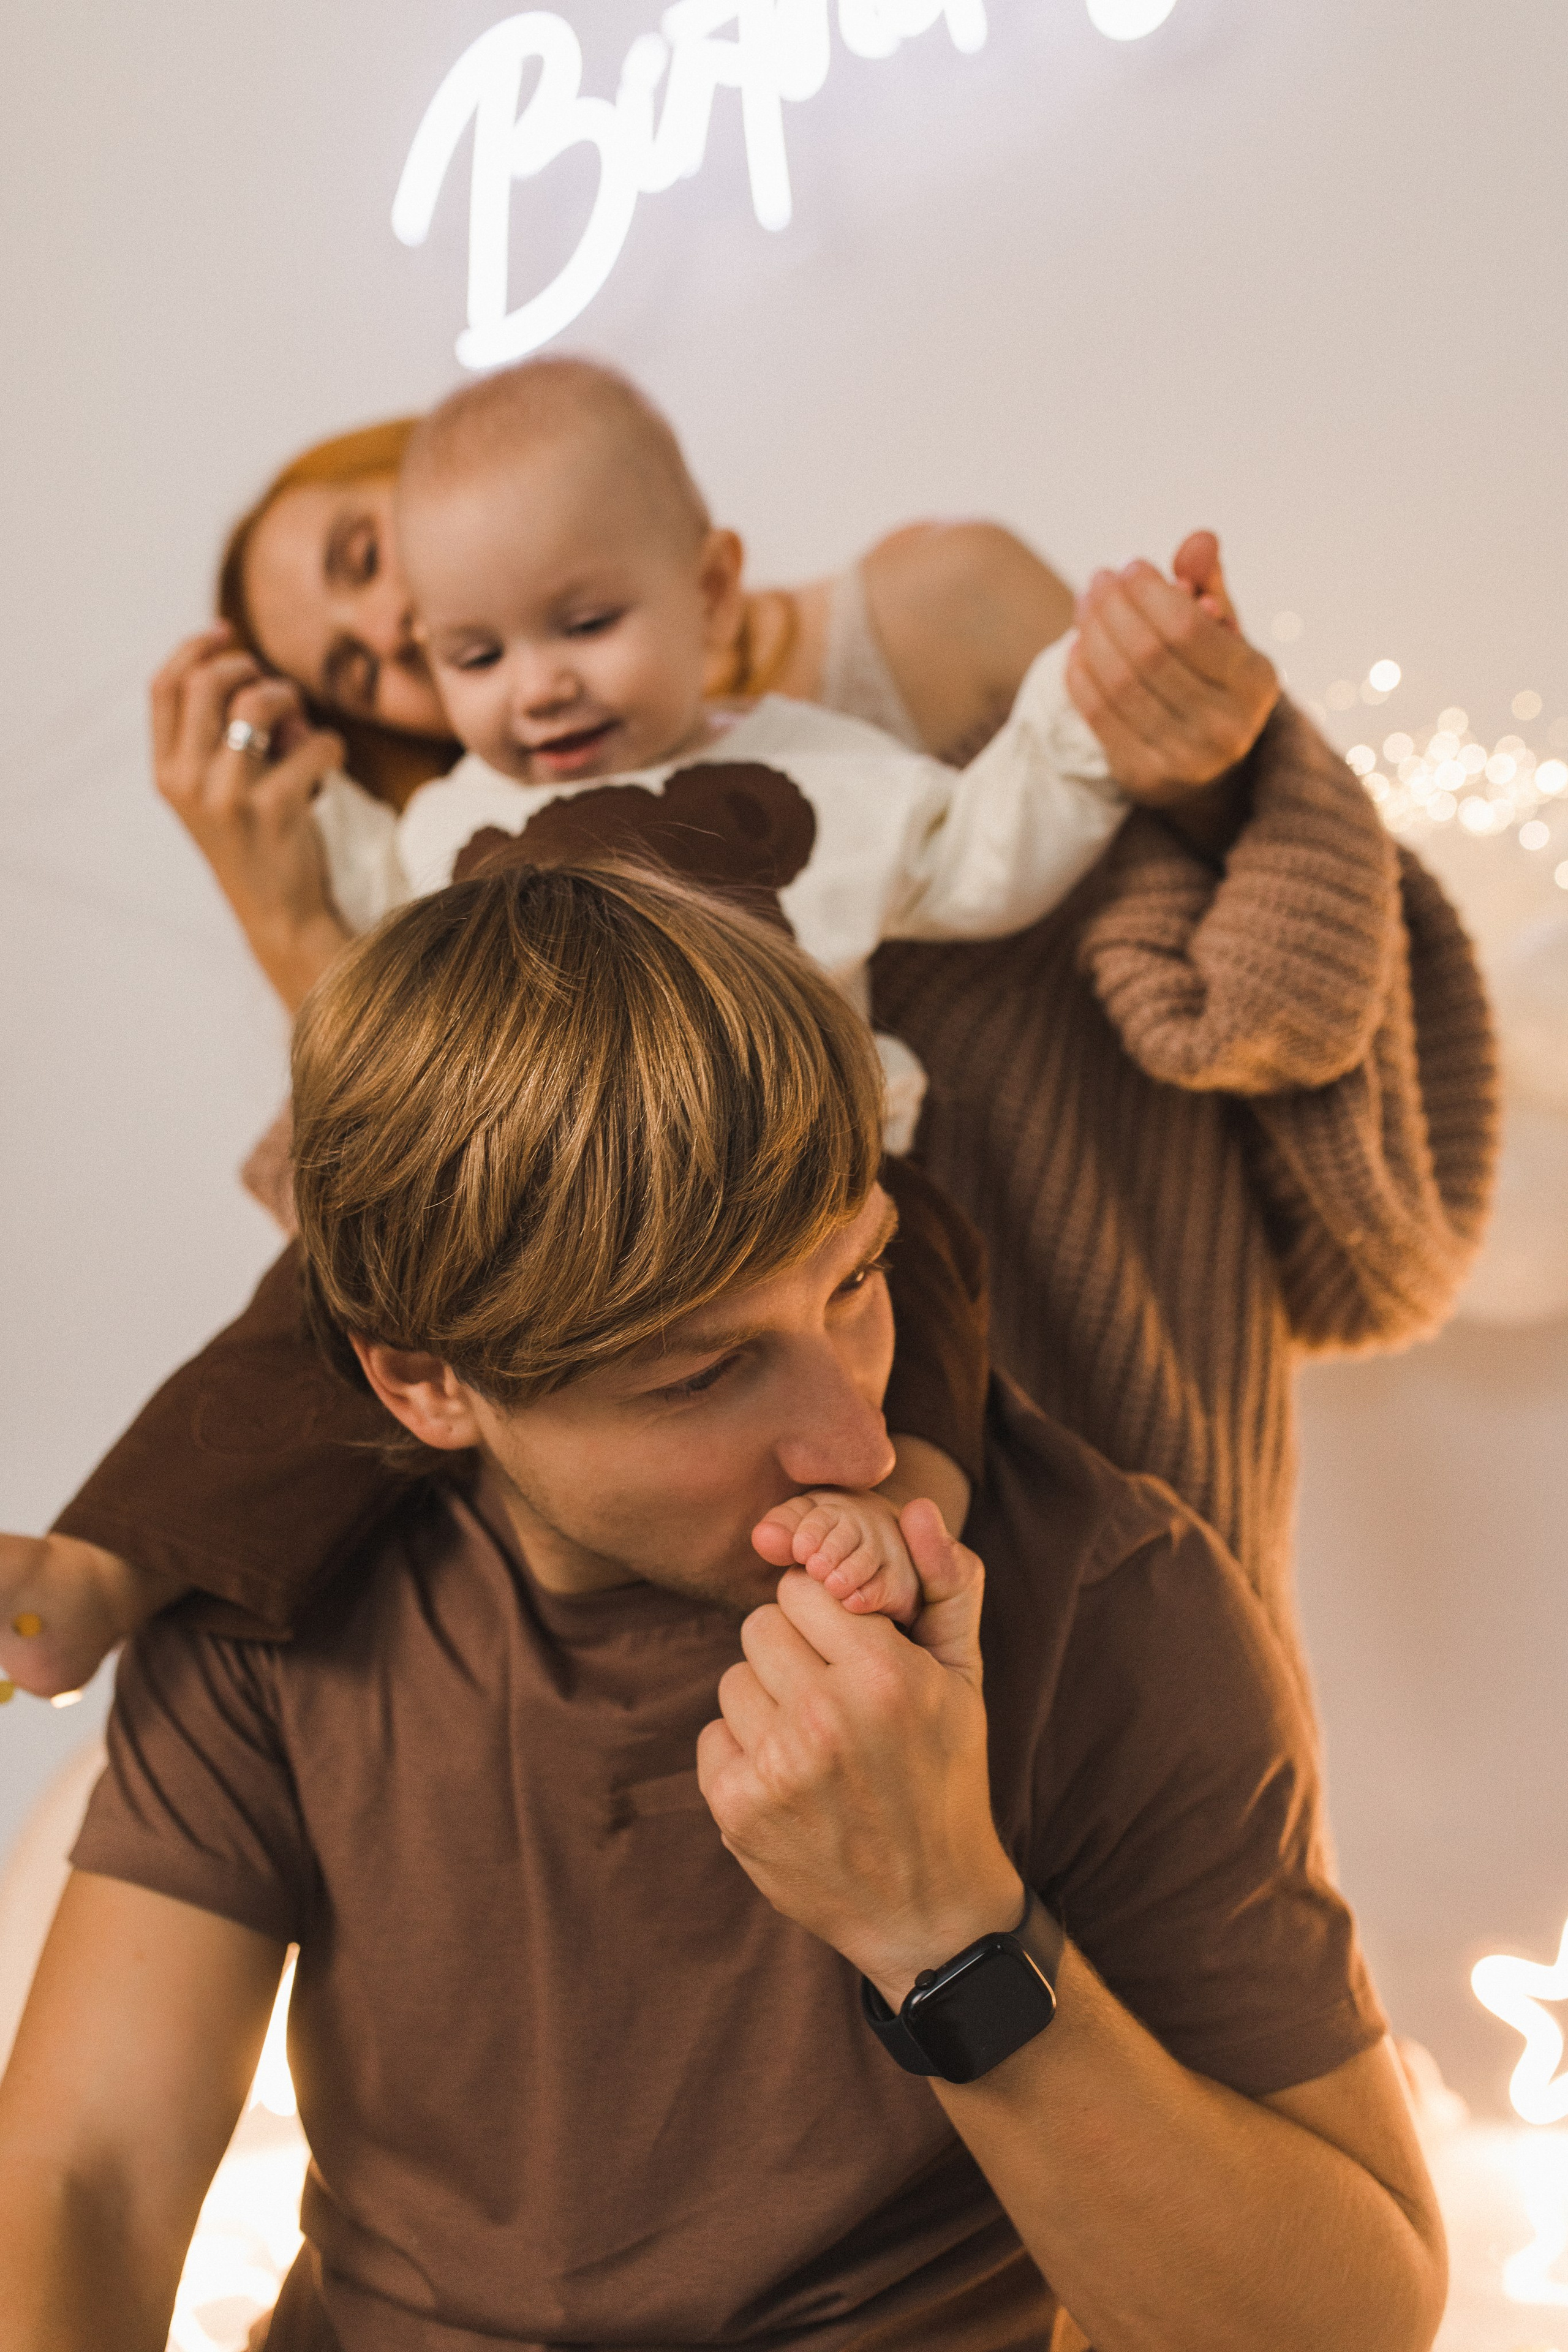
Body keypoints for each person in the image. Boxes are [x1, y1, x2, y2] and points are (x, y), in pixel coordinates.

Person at [0, 865, 1446, 2352]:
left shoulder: (1101, 1593)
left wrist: (942, 1934)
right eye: (699, 1376)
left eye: (856, 1282)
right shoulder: (277, 1591)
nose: (858, 1447)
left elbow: (1344, 2326)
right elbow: (90, 2178)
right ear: (426, 1384)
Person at [0, 364, 1495, 1707]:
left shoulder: (814, 766)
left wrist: (1089, 714)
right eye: (401, 662)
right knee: (323, 1300)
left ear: (700, 585)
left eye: (365, 558)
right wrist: (274, 851)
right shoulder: (450, 833)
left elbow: (987, 847)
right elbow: (401, 1125)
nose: (418, 642)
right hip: (605, 1236)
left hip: (817, 1182)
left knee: (908, 1302)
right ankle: (100, 1568)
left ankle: (897, 1505)